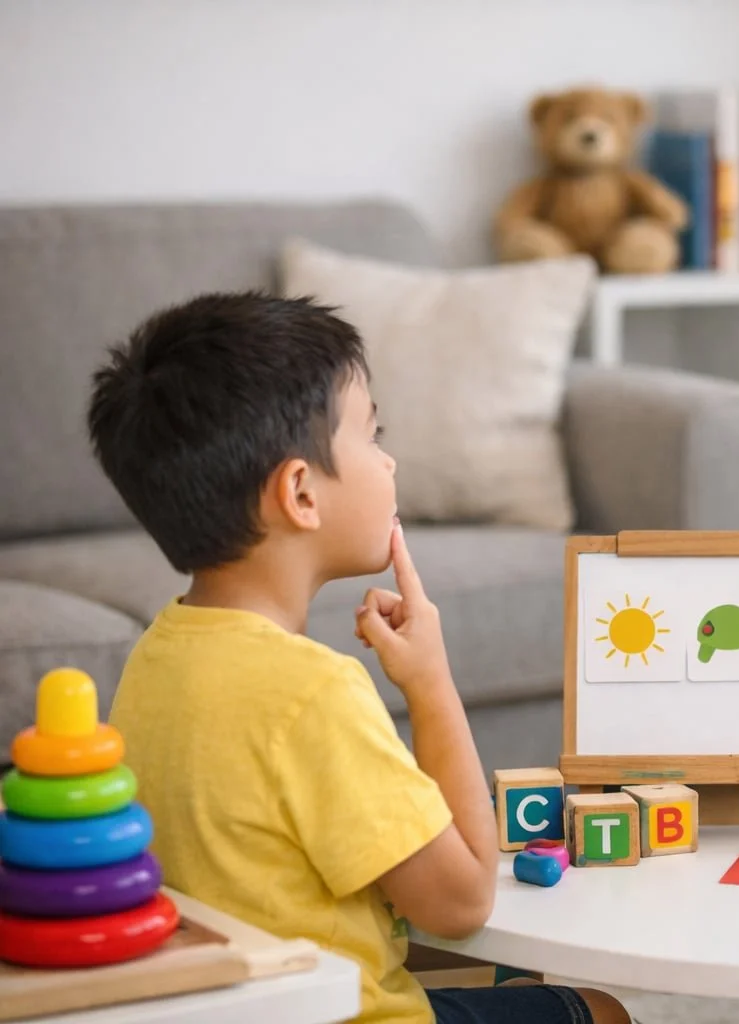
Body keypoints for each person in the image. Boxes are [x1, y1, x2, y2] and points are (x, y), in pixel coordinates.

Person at [89, 292, 631, 1024]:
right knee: (597, 1009)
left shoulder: (154, 656)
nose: (390, 459)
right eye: (373, 435)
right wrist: (431, 683)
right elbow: (463, 901)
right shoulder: (314, 693)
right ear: (301, 493)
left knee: (508, 988)